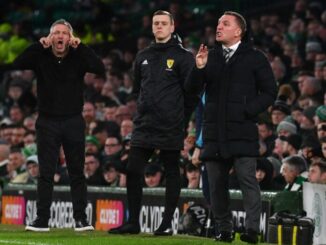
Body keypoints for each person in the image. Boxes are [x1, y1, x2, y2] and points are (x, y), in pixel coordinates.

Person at [184, 11, 277, 243]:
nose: (219, 27)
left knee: (248, 180)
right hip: (214, 132)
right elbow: (191, 89)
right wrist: (198, 67)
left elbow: (269, 92)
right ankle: (224, 229)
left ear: (239, 31)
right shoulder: (210, 56)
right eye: (218, 23)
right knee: (215, 184)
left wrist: (247, 110)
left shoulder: (255, 57)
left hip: (242, 130)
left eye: (225, 24)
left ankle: (252, 230)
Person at [108, 10, 196, 236]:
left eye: (163, 23)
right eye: (156, 23)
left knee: (171, 170)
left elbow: (191, 93)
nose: (159, 27)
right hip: (145, 124)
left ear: (172, 27)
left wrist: (181, 119)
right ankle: (133, 222)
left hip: (170, 124)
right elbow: (138, 90)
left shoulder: (183, 57)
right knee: (133, 169)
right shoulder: (142, 56)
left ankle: (166, 223)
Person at [13, 19, 105, 232]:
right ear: (51, 37)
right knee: (45, 172)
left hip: (73, 120)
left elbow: (99, 67)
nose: (60, 36)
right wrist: (38, 45)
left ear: (69, 37)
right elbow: (17, 63)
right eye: (56, 33)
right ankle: (42, 219)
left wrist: (81, 46)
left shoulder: (78, 56)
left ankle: (81, 219)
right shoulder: (41, 56)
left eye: (65, 33)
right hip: (47, 121)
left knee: (76, 172)